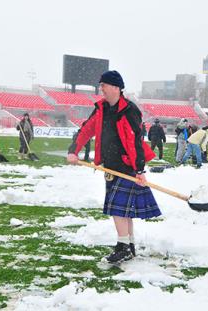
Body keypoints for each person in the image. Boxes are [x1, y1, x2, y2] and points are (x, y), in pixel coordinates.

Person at [67, 70, 161, 263]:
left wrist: (140, 170)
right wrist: (73, 150)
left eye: (104, 85)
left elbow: (135, 140)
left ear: (116, 88)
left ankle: (123, 246)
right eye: (101, 85)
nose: (101, 88)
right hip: (109, 165)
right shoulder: (101, 108)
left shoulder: (129, 110)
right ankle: (130, 244)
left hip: (127, 165)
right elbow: (86, 129)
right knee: (123, 209)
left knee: (118, 209)